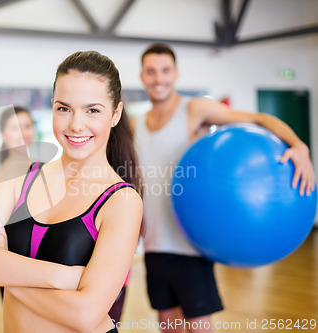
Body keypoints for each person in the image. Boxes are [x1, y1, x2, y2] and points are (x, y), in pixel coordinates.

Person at [133, 43, 316, 333]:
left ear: (175, 73)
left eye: (165, 71)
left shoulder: (194, 110)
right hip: (154, 246)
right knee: (168, 326)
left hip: (190, 245)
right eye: (151, 72)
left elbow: (259, 120)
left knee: (198, 328)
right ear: (142, 76)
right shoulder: (136, 124)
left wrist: (299, 146)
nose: (159, 79)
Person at [0, 50, 143, 333]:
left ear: (115, 114)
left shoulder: (122, 201)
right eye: (64, 108)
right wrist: (64, 277)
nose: (76, 125)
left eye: (92, 110)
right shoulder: (18, 173)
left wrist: (2, 262)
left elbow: (84, 315)